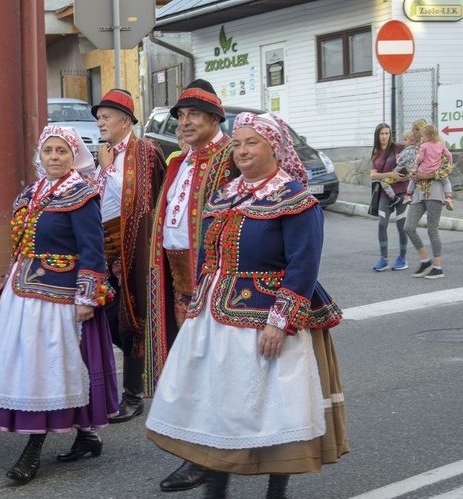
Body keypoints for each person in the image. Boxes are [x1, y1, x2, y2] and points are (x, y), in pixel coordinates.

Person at [145, 112, 348, 499]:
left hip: (266, 318)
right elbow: (209, 256)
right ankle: (216, 490)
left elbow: (303, 267)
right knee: (219, 401)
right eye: (236, 143)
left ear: (274, 147)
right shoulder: (225, 194)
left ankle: (276, 492)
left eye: (251, 142)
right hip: (214, 318)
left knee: (273, 407)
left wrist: (279, 322)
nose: (241, 151)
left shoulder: (295, 199)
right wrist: (197, 303)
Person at [0, 125, 118, 485]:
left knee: (49, 369)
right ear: (39, 156)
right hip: (23, 294)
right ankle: (86, 435)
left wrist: (87, 296)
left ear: (74, 156)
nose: (54, 157)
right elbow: (20, 245)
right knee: (31, 366)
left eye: (61, 151)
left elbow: (93, 249)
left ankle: (33, 450)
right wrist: (7, 279)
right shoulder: (32, 193)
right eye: (48, 151)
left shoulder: (81, 194)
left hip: (60, 296)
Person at [145, 79, 239, 493]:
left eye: (193, 115)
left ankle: (207, 459)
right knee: (189, 371)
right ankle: (204, 455)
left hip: (216, 283)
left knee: (211, 373)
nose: (184, 123)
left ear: (215, 119)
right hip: (178, 280)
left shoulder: (232, 156)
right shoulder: (176, 161)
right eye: (180, 116)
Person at [91, 89, 166, 425]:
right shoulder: (104, 154)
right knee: (107, 318)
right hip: (105, 249)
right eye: (99, 116)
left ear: (125, 120)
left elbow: (143, 198)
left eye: (106, 116)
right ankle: (150, 363)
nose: (100, 122)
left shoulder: (145, 150)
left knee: (132, 318)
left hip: (135, 248)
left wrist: (107, 169)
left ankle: (133, 395)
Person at [403, 119, 454, 280]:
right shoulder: (418, 147)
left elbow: (447, 167)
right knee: (409, 227)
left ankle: (438, 267)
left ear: (422, 131)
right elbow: (414, 166)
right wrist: (413, 173)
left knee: (432, 229)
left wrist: (428, 175)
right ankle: (425, 260)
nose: (412, 133)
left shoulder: (439, 145)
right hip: (419, 192)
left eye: (415, 130)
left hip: (435, 191)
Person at [369, 123, 408, 272]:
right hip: (385, 194)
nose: (384, 136)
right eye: (382, 134)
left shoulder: (399, 147)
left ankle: (403, 258)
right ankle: (384, 259)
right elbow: (373, 175)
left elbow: (412, 152)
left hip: (402, 192)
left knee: (401, 226)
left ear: (390, 135)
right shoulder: (375, 154)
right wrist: (389, 174)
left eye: (387, 133)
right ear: (377, 136)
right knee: (381, 224)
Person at [404, 124, 454, 211]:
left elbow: (420, 158)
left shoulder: (424, 146)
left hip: (424, 170)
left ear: (428, 136)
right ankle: (449, 197)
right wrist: (450, 162)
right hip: (436, 170)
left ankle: (408, 195)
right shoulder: (441, 145)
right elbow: (449, 155)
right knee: (446, 182)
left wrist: (416, 163)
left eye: (422, 136)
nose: (421, 138)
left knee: (413, 180)